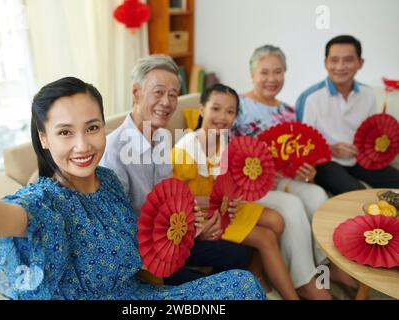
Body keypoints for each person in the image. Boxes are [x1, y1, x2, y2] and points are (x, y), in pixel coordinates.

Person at [0, 77, 265, 300]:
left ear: (104, 127)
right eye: (65, 133)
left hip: (142, 295)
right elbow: (0, 215)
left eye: (92, 128)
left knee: (243, 283)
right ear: (44, 139)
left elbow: (137, 248)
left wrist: (186, 231)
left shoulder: (108, 181)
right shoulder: (45, 202)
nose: (83, 145)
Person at [100, 55, 254, 286]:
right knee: (215, 284)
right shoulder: (114, 151)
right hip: (144, 252)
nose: (167, 102)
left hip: (173, 237)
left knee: (240, 255)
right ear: (136, 93)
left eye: (173, 95)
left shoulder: (162, 137)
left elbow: (171, 197)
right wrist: (184, 234)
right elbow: (116, 226)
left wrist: (193, 224)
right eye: (158, 92)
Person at [232, 45, 357, 299]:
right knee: (291, 206)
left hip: (282, 181)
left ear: (285, 74)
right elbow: (221, 151)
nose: (271, 79)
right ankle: (305, 281)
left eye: (278, 72)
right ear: (252, 74)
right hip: (246, 186)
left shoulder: (288, 111)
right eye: (264, 72)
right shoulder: (237, 105)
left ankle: (328, 267)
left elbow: (297, 157)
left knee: (317, 194)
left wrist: (305, 172)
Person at [171, 83, 299, 300]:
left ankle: (254, 276)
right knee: (265, 237)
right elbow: (176, 199)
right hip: (200, 216)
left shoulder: (227, 142)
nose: (222, 116)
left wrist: (234, 194)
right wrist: (215, 201)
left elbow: (229, 183)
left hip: (223, 208)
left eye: (230, 111)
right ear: (202, 109)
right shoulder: (186, 148)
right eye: (216, 108)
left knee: (277, 221)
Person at [296, 34, 399, 195]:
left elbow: (370, 134)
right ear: (325, 63)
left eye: (348, 60)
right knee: (358, 194)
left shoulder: (368, 94)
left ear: (360, 63)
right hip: (326, 162)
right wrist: (330, 149)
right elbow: (301, 145)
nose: (340, 66)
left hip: (361, 159)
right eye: (334, 60)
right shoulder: (310, 98)